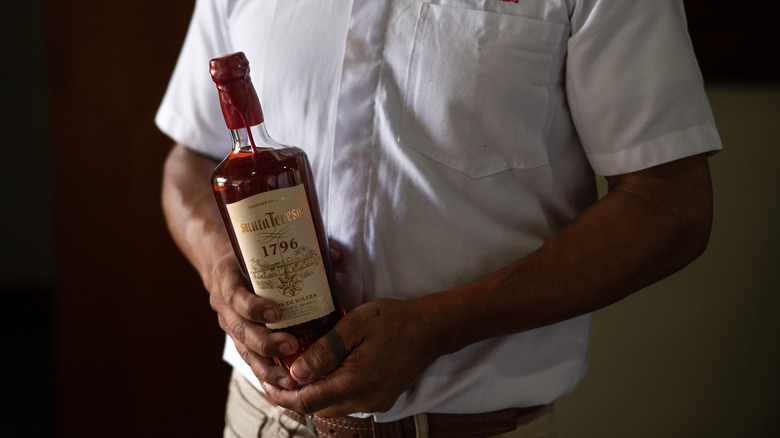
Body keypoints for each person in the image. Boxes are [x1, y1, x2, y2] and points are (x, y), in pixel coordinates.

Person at [157, 0, 721, 436]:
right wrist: (220, 270)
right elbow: (190, 158)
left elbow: (671, 206)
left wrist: (441, 325)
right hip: (261, 420)